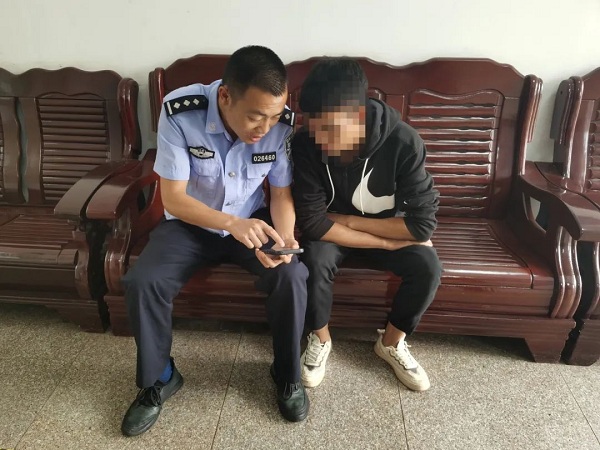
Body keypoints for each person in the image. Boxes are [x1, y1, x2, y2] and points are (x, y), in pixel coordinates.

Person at [121, 46, 310, 436]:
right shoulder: (180, 112)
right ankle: (160, 379)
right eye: (255, 116)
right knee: (144, 281)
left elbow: (280, 195)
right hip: (190, 223)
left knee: (292, 276)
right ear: (225, 96)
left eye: (274, 116)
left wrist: (286, 239)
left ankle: (286, 374)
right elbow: (174, 199)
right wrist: (230, 223)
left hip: (252, 221)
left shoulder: (281, 124)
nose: (265, 128)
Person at [291, 58, 442, 392]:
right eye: (314, 128)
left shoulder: (404, 142)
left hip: (371, 224)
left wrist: (348, 220)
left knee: (427, 266)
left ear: (358, 116)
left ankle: (391, 342)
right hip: (339, 235)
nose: (321, 140)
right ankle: (320, 339)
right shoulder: (305, 144)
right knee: (313, 260)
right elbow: (314, 224)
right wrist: (386, 242)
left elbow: (422, 226)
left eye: (331, 130)